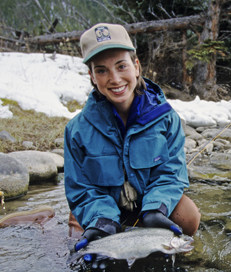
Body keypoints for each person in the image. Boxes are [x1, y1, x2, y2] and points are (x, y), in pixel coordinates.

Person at [64, 23, 200, 251]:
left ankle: (151, 244)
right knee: (80, 250)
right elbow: (81, 188)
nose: (115, 79)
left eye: (121, 66)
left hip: (147, 206)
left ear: (136, 67)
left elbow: (170, 175)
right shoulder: (76, 130)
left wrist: (156, 210)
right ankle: (101, 232)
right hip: (101, 209)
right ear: (92, 77)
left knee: (188, 216)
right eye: (102, 70)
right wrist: (101, 221)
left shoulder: (166, 119)